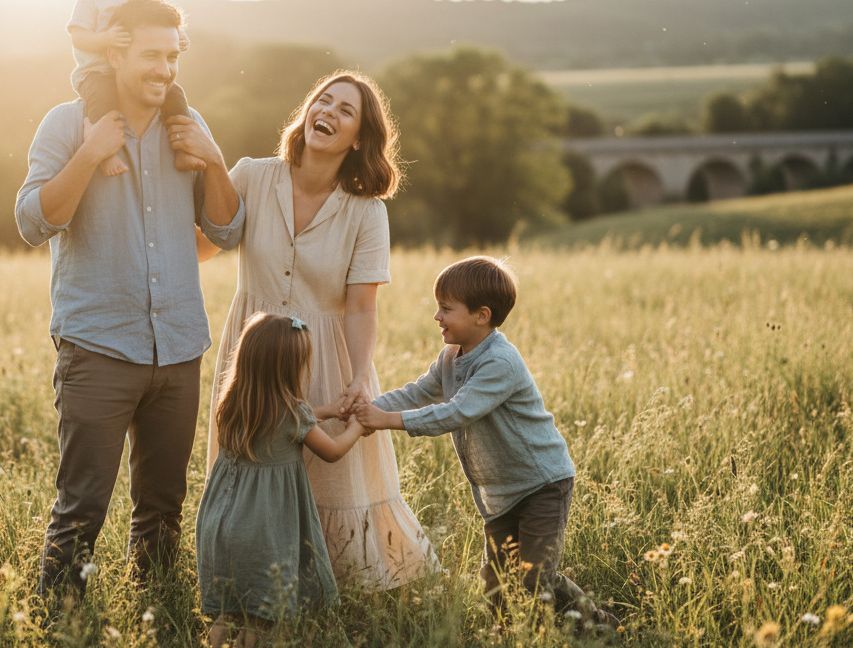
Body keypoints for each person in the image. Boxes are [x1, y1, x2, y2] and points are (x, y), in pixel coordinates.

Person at [15, 0, 244, 595]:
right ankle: (63, 626)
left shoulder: (188, 130)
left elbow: (226, 231)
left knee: (163, 510)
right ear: (115, 52)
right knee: (81, 511)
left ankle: (157, 617)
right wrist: (91, 154)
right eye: (150, 55)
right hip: (97, 349)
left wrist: (216, 163)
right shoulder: (66, 125)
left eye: (172, 56)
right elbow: (33, 222)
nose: (164, 69)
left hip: (178, 351)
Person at [201, 71, 438, 589]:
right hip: (253, 354)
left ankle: (330, 581)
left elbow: (360, 307)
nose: (327, 111)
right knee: (253, 463)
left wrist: (357, 377)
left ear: (360, 139)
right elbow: (203, 245)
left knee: (331, 474)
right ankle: (243, 578)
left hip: (325, 354)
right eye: (322, 101)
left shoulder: (367, 212)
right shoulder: (250, 175)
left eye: (345, 110)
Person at [353, 256, 620, 630]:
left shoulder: (500, 362)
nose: (437, 317)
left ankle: (600, 626)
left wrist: (386, 421)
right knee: (495, 585)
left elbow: (457, 412)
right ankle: (505, 635)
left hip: (542, 483)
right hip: (500, 494)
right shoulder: (450, 357)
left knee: (534, 578)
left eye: (446, 309)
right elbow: (419, 393)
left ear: (482, 315)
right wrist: (368, 409)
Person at [197, 312, 366, 647]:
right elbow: (331, 450)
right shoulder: (293, 413)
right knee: (261, 617)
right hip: (262, 531)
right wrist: (358, 427)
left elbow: (284, 422)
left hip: (219, 524)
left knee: (230, 612)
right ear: (291, 368)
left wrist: (326, 410)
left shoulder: (232, 403)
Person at [66, 0, 204, 177]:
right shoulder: (90, 0)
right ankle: (105, 154)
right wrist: (106, 38)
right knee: (103, 100)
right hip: (97, 72)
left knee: (175, 95)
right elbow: (79, 38)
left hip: (136, 74)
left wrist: (179, 36)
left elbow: (163, 24)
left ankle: (184, 149)